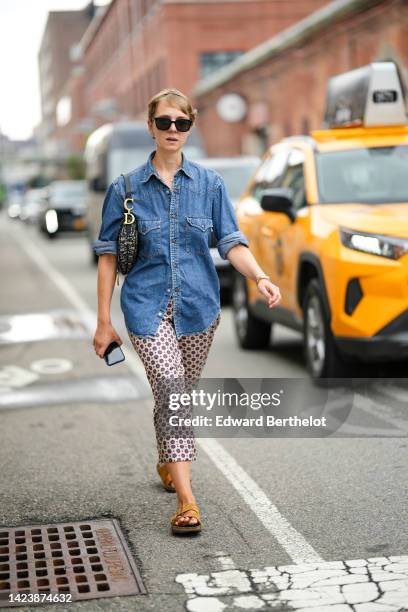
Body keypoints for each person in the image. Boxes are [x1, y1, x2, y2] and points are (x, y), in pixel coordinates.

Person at [92, 88, 281, 535]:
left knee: (176, 396)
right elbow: (107, 255)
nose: (172, 130)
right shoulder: (126, 189)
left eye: (181, 122)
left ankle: (167, 459)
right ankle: (187, 501)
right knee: (175, 394)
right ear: (151, 127)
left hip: (199, 308)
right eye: (164, 122)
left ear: (191, 128)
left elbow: (231, 241)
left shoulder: (210, 185)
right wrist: (104, 321)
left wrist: (260, 277)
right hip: (145, 306)